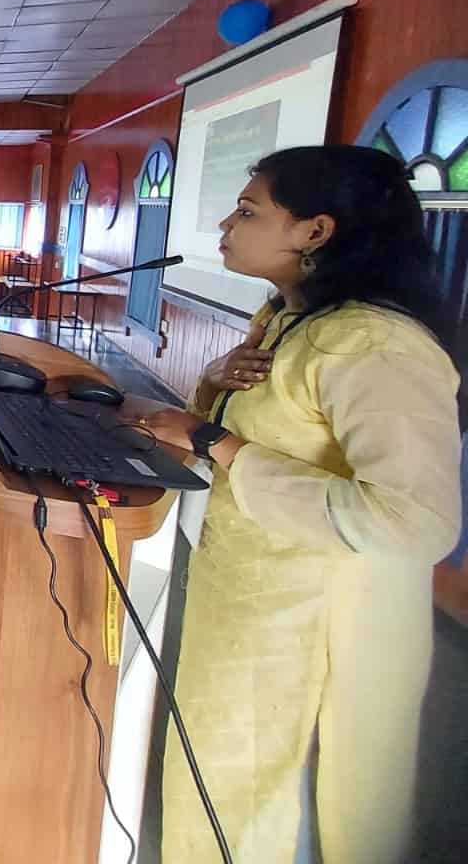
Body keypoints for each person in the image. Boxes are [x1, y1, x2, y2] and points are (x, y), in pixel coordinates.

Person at [132, 147, 461, 864]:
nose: (226, 225)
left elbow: (414, 521)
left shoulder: (375, 344)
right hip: (249, 600)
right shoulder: (288, 318)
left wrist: (214, 439)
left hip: (318, 625)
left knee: (281, 801)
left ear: (315, 231)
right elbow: (260, 429)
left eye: (248, 211)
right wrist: (215, 384)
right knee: (220, 778)